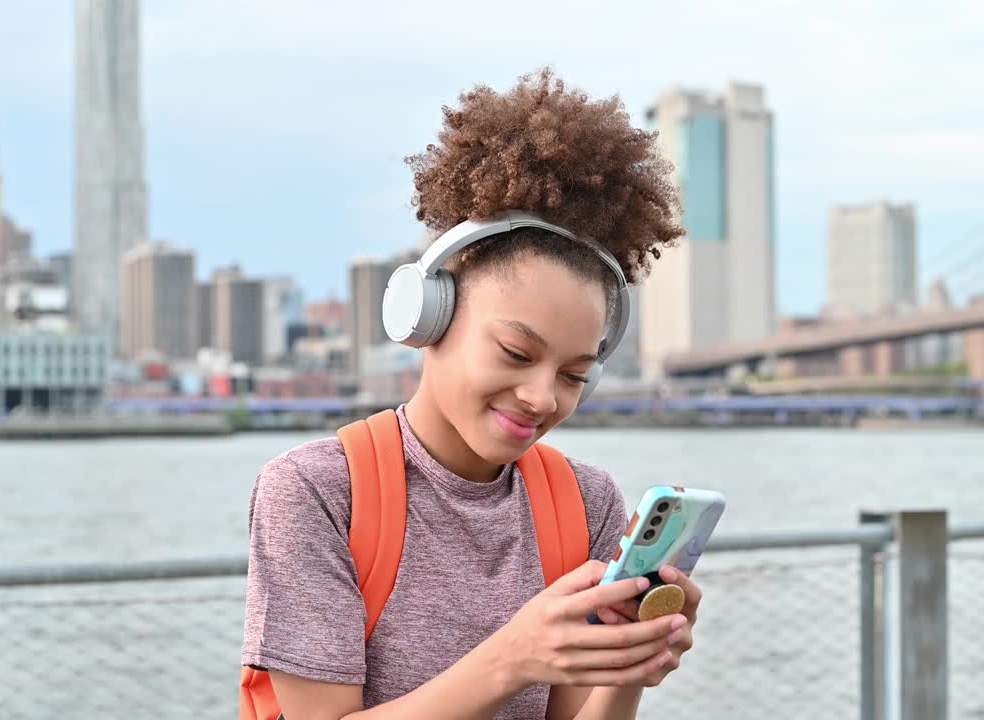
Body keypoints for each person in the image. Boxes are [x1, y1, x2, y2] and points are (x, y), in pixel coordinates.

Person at [242, 67, 697, 720]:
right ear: (429, 314)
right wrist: (515, 658)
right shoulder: (315, 491)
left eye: (574, 375)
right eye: (516, 353)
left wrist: (632, 662)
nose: (543, 398)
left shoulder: (586, 502)